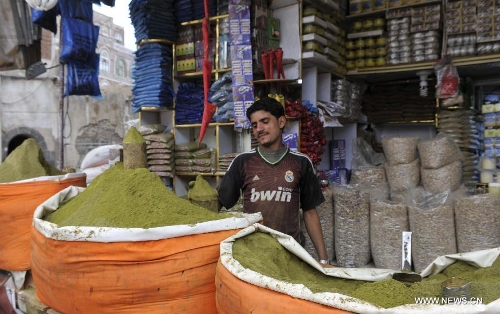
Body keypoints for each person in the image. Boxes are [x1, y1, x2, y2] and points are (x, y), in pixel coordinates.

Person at [217, 97, 330, 265]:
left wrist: (324, 260)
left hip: (291, 253)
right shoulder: (243, 162)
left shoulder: (301, 162)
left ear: (281, 121)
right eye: (254, 125)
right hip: (253, 253)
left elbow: (310, 212)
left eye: (265, 121)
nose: (259, 129)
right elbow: (218, 203)